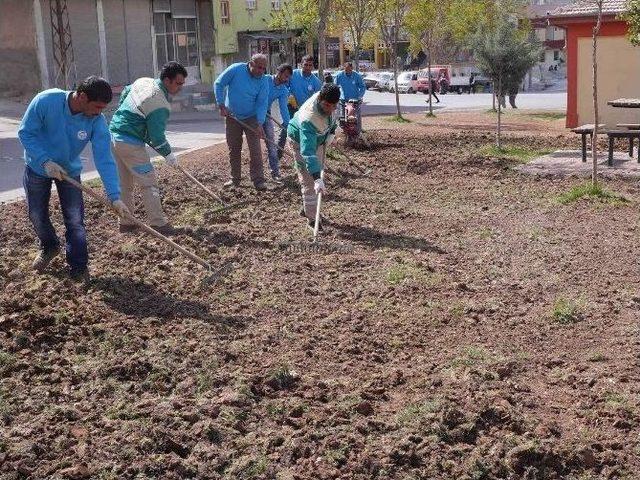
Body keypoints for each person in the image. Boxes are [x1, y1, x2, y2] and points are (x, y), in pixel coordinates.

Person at [18, 76, 128, 282]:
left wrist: (115, 196)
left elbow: (104, 158)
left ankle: (78, 266)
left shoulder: (96, 120)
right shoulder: (46, 101)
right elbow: (25, 133)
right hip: (37, 168)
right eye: (96, 106)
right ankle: (50, 246)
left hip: (68, 172)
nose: (99, 112)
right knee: (36, 215)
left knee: (75, 221)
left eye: (102, 108)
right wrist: (45, 162)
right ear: (82, 96)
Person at [109, 61, 187, 235]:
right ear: (167, 80)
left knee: (124, 184)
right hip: (130, 142)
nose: (181, 87)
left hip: (114, 134)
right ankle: (158, 223)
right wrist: (169, 155)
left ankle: (126, 223)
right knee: (148, 182)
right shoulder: (159, 104)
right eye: (178, 83)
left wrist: (134, 122)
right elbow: (157, 137)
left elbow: (126, 93)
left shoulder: (144, 81)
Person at [287, 83, 340, 231]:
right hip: (299, 142)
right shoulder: (308, 118)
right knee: (310, 181)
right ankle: (312, 219)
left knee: (317, 172)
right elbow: (308, 152)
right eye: (327, 106)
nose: (330, 110)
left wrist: (331, 132)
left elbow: (333, 120)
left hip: (319, 139)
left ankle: (306, 208)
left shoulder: (332, 101)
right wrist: (317, 178)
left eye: (333, 106)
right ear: (320, 100)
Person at [214, 53, 270, 190]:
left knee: (256, 150)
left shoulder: (263, 81)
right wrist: (221, 105)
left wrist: (259, 123)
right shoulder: (236, 69)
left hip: (252, 118)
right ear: (250, 64)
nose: (261, 71)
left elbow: (262, 103)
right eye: (258, 67)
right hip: (232, 116)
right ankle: (235, 179)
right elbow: (219, 83)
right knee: (234, 148)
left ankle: (258, 180)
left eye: (263, 69)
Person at [263, 63, 293, 182]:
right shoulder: (264, 80)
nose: (286, 79)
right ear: (279, 73)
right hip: (251, 112)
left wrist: (287, 124)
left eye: (288, 77)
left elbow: (284, 109)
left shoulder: (283, 90)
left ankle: (275, 172)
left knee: (271, 143)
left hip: (266, 113)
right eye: (285, 76)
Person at [334, 61, 366, 132]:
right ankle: (344, 130)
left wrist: (360, 96)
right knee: (342, 117)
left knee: (356, 116)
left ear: (352, 68)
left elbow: (363, 87)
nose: (348, 71)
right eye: (346, 70)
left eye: (349, 70)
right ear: (344, 68)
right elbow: (335, 86)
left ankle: (358, 130)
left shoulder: (357, 76)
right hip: (343, 99)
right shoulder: (339, 76)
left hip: (355, 100)